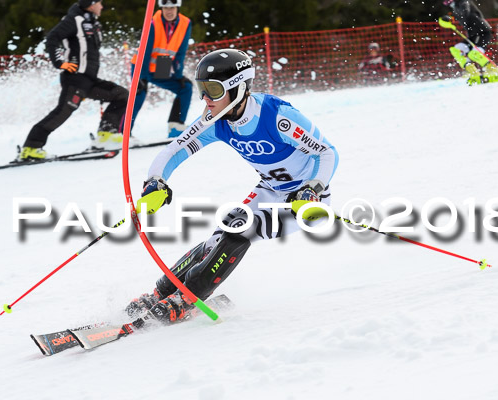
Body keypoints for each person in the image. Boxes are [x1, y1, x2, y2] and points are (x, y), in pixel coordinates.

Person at [124, 48, 339, 324]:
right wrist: (156, 182)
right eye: (202, 89)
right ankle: (161, 292)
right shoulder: (217, 120)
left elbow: (327, 152)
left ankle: (187, 298)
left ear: (237, 88)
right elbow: (174, 150)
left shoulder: (277, 116)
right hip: (270, 189)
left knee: (239, 231)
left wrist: (312, 188)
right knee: (218, 237)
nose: (204, 98)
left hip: (307, 203)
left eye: (212, 89)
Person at [19, 0, 128, 161]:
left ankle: (106, 134)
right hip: (75, 79)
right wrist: (60, 63)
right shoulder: (73, 20)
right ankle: (31, 147)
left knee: (122, 95)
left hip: (90, 80)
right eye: (99, 3)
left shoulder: (91, 21)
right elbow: (52, 38)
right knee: (63, 111)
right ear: (91, 4)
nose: (102, 6)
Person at [128, 0, 192, 139]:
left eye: (172, 7)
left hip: (163, 64)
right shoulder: (152, 23)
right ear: (161, 8)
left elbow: (181, 52)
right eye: (166, 8)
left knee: (185, 87)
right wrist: (142, 77)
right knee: (138, 95)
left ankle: (176, 126)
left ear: (177, 7)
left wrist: (179, 75)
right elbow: (145, 52)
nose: (169, 11)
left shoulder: (185, 23)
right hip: (142, 65)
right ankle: (124, 133)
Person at [442, 0, 498, 80]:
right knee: (457, 49)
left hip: (482, 32)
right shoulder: (456, 6)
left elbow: (465, 12)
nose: (447, 4)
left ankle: (492, 69)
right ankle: (471, 71)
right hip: (473, 35)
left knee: (474, 54)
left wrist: (453, 17)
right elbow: (461, 16)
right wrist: (449, 20)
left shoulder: (463, 2)